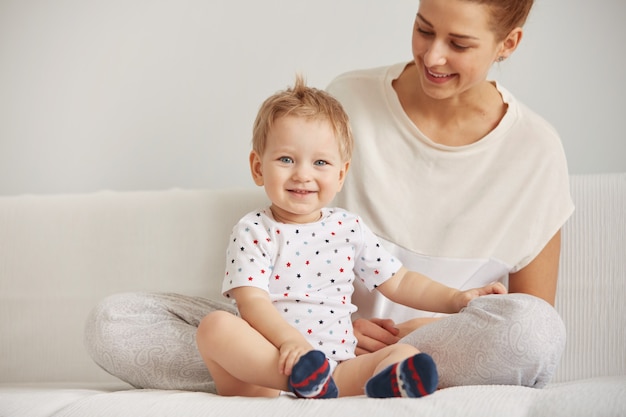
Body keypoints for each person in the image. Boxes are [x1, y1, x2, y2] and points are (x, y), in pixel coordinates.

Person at [84, 0, 573, 391]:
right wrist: (327, 331)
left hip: (437, 336)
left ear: (508, 43)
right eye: (424, 29)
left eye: (459, 43)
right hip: (287, 331)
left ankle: (353, 370)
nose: (432, 56)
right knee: (116, 323)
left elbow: (527, 318)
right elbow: (257, 294)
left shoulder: (537, 150)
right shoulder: (349, 101)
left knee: (532, 331)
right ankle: (313, 371)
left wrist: (441, 318)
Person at [195, 76, 507, 399]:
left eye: (320, 162)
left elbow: (399, 282)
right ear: (258, 167)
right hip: (266, 373)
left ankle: (391, 380)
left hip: (338, 371)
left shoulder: (348, 229)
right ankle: (302, 380)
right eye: (286, 159)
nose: (303, 173)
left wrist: (456, 299)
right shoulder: (255, 230)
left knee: (405, 354)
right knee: (214, 327)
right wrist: (292, 344)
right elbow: (252, 302)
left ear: (341, 174)